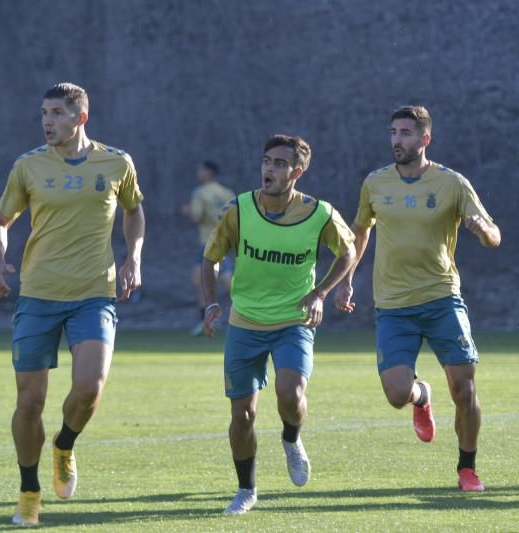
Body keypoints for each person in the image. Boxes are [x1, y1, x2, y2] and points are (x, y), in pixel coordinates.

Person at [0, 82, 145, 526]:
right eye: (43, 113)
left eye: (56, 113)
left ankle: (66, 443)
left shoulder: (117, 163)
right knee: (30, 401)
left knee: (90, 388)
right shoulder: (29, 166)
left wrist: (133, 257)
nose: (47, 121)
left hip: (94, 293)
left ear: (81, 118)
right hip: (37, 295)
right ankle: (29, 490)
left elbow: (134, 211)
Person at [334, 105, 501, 492]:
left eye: (407, 133)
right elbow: (360, 233)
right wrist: (347, 279)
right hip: (393, 306)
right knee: (396, 395)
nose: (398, 140)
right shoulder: (375, 183)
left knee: (464, 387)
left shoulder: (452, 183)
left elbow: (494, 233)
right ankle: (421, 395)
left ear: (425, 139)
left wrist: (482, 231)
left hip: (442, 298)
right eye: (394, 132)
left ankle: (467, 468)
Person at [202, 134, 356, 515]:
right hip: (244, 323)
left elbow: (348, 251)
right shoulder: (238, 209)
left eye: (280, 164)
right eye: (267, 160)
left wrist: (320, 293)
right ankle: (246, 490)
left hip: (293, 321)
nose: (269, 168)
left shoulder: (319, 213)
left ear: (297, 172)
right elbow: (211, 260)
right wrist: (210, 304)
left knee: (290, 394)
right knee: (243, 415)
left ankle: (291, 439)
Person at [182, 160, 235, 335]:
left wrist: (187, 210)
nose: (198, 172)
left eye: (200, 170)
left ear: (207, 172)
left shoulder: (200, 193)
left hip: (208, 242)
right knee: (202, 277)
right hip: (224, 241)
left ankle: (241, 312)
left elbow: (196, 217)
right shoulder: (227, 193)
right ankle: (207, 319)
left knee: (210, 279)